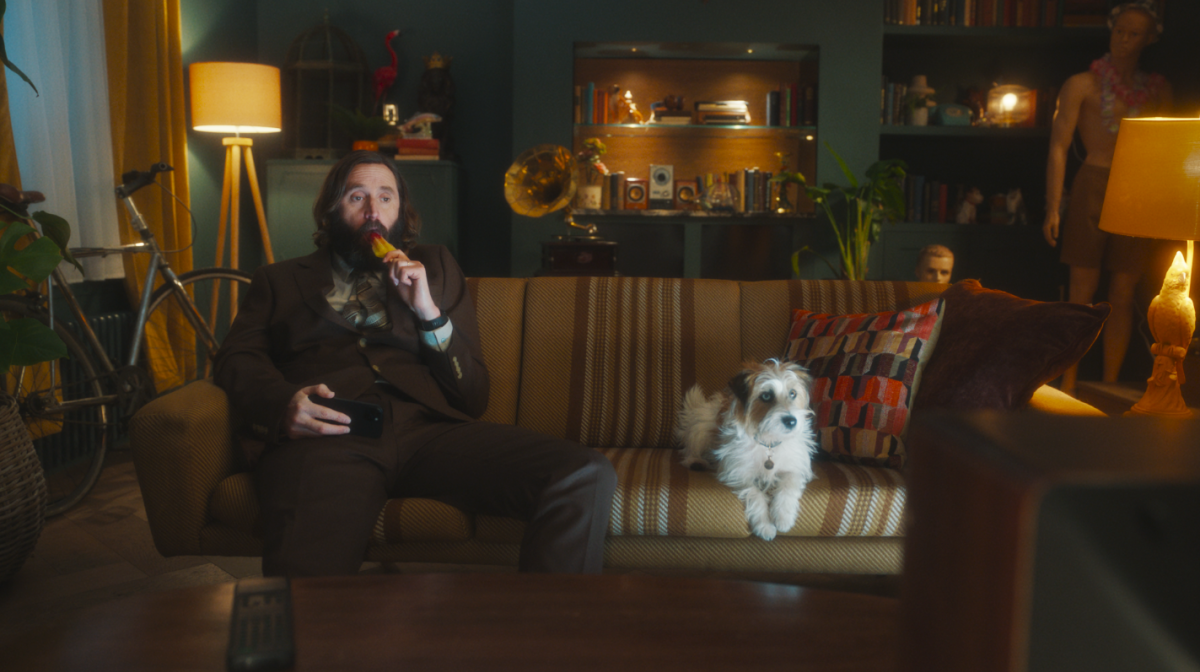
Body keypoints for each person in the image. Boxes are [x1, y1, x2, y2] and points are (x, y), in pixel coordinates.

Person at [214, 151, 617, 577]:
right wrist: (283, 405)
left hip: (428, 431)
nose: (373, 211)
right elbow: (236, 358)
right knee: (308, 583)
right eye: (357, 197)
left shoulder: (437, 267)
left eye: (385, 198)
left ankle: (549, 636)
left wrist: (428, 311)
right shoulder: (278, 280)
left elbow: (473, 397)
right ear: (331, 209)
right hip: (329, 435)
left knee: (582, 472)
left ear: (400, 212)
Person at [1042, 1, 1172, 395]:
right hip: (1092, 182)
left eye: (1135, 34)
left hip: (1136, 190)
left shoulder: (1157, 90)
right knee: (1083, 287)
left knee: (1123, 290)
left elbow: (1164, 150)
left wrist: (1161, 205)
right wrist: (1053, 205)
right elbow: (1058, 146)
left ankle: (1110, 384)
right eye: (1120, 31)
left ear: (1149, 39)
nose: (1124, 40)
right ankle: (1069, 381)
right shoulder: (1083, 84)